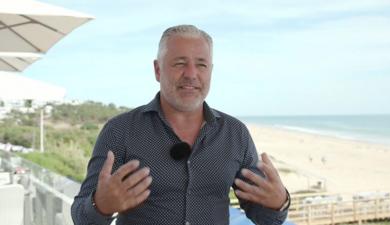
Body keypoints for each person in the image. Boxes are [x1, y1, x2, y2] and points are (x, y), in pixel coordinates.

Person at [71, 24, 290, 225]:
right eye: (180, 63)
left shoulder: (235, 134)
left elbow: (266, 218)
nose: (191, 74)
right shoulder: (120, 131)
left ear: (210, 71)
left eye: (201, 65)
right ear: (157, 70)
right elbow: (81, 217)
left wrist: (280, 201)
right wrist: (100, 206)